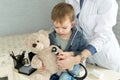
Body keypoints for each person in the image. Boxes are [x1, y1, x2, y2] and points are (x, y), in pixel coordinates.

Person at [56, 0, 120, 72]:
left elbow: (103, 36)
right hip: (87, 60)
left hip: (106, 59)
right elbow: (69, 26)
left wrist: (77, 58)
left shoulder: (107, 2)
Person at [49, 2, 87, 80]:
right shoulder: (52, 36)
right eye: (56, 27)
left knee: (64, 78)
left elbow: (83, 52)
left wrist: (71, 54)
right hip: (57, 64)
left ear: (72, 24)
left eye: (64, 28)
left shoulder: (78, 36)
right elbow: (48, 51)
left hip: (73, 65)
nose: (60, 31)